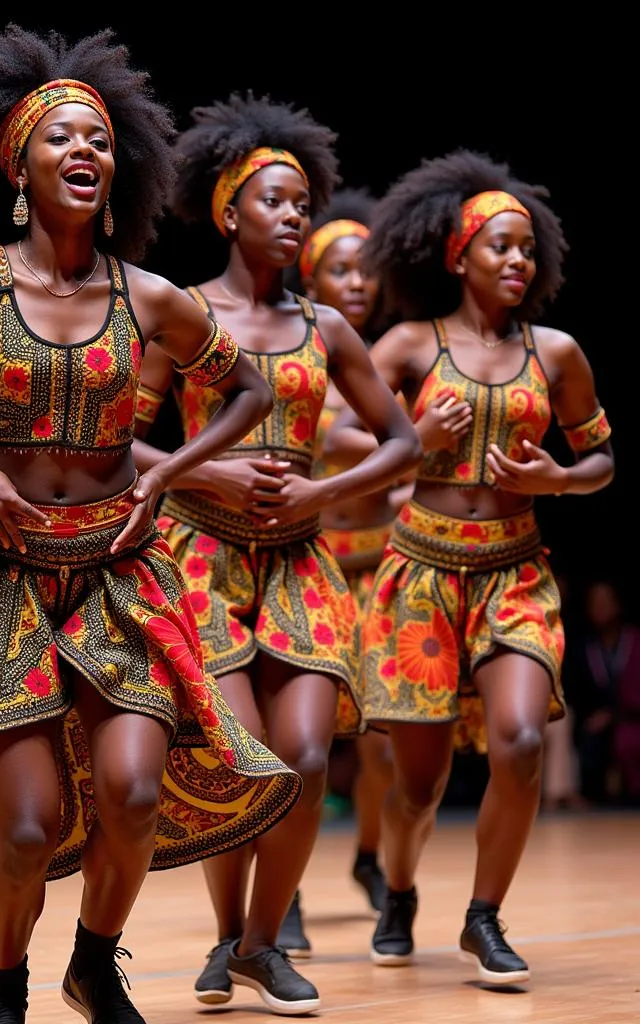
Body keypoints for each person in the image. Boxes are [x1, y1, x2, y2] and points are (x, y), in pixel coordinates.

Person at [0, 25, 302, 1024]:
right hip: (1, 576)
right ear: (20, 165)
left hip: (117, 574)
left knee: (135, 793)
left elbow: (250, 389)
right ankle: (1, 980)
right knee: (24, 826)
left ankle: (93, 963)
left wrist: (174, 468)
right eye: (61, 138)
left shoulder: (150, 298)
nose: (84, 151)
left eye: (98, 137)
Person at [132, 93, 421, 1012]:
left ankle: (261, 943)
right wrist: (203, 476)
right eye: (276, 201)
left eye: (303, 203)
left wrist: (320, 493)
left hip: (299, 559)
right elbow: (114, 441)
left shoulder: (326, 329)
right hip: (199, 557)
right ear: (228, 211)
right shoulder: (181, 314)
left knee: (301, 760)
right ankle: (226, 940)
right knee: (238, 758)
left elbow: (400, 441)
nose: (294, 216)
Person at [325, 149, 615, 986]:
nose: (518, 261)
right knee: (416, 789)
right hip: (418, 571)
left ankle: (484, 916)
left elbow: (601, 459)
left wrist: (557, 478)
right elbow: (339, 433)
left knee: (521, 741)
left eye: (528, 248)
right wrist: (421, 442)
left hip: (515, 572)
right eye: (501, 247)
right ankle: (402, 890)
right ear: (459, 256)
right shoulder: (411, 343)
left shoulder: (557, 353)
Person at [295, 188, 405, 920]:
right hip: (312, 565)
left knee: (382, 743)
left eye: (367, 271)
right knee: (297, 745)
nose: (358, 283)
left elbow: (415, 453)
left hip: (383, 569)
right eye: (341, 270)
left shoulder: (394, 357)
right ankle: (287, 888)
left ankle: (369, 854)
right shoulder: (298, 346)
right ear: (312, 280)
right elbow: (338, 439)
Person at [568, 579, 640, 805]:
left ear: (618, 605)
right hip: (594, 719)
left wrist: (614, 715)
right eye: (594, 603)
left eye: (605, 602)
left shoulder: (635, 641)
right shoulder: (584, 647)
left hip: (631, 716)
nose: (600, 608)